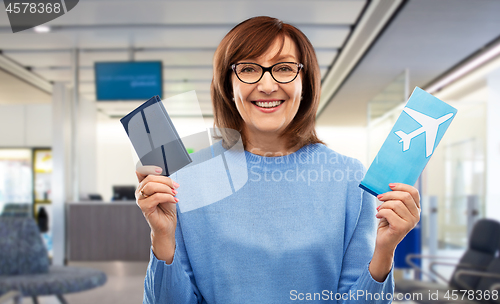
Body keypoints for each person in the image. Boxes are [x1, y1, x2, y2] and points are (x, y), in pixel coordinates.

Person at [136, 16, 420, 303]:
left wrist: (384, 251)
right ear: (228, 85)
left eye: (284, 68)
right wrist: (162, 238)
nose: (268, 85)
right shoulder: (185, 177)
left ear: (305, 84)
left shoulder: (349, 177)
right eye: (248, 69)